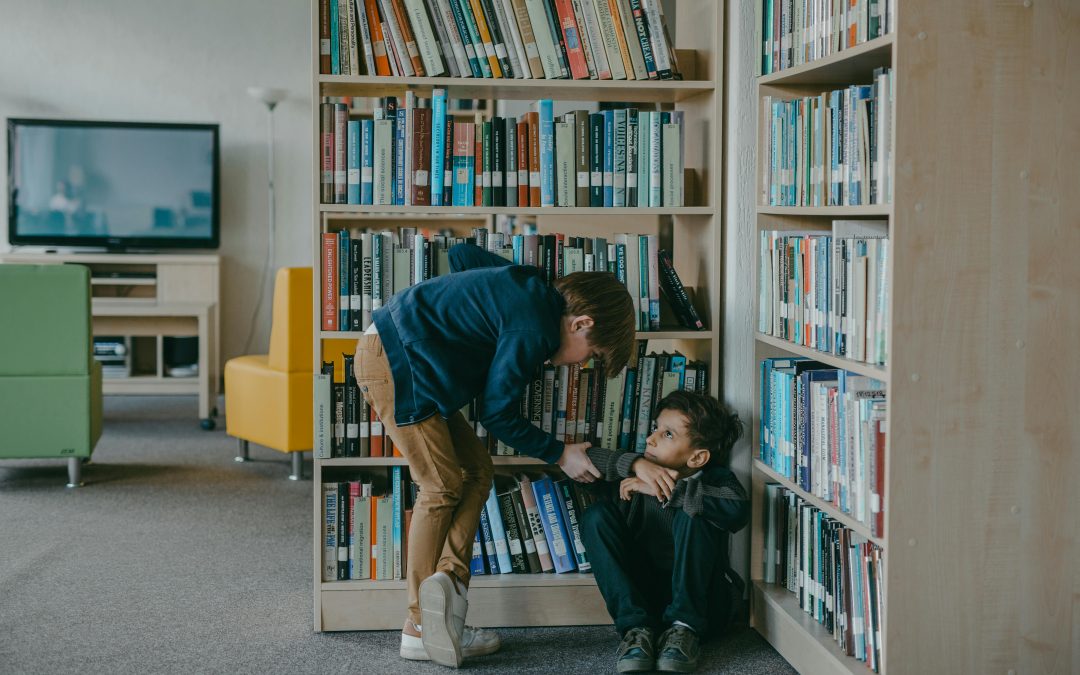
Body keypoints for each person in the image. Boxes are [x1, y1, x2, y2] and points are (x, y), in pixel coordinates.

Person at [353, 241, 636, 667]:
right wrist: (560, 453)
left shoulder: (531, 285)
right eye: (590, 356)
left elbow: (465, 254)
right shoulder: (535, 329)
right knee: (440, 486)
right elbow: (497, 415)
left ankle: (445, 590)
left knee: (476, 470)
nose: (578, 366)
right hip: (398, 364)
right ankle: (417, 626)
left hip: (410, 361)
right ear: (581, 323)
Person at [580, 390, 749, 673]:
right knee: (596, 516)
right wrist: (633, 464)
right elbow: (583, 460)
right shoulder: (637, 473)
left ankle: (684, 629)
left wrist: (672, 493)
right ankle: (636, 630)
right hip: (645, 603)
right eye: (656, 428)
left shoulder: (715, 480)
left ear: (697, 458)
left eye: (668, 434)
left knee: (693, 513)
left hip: (704, 608)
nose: (651, 438)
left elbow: (737, 508)